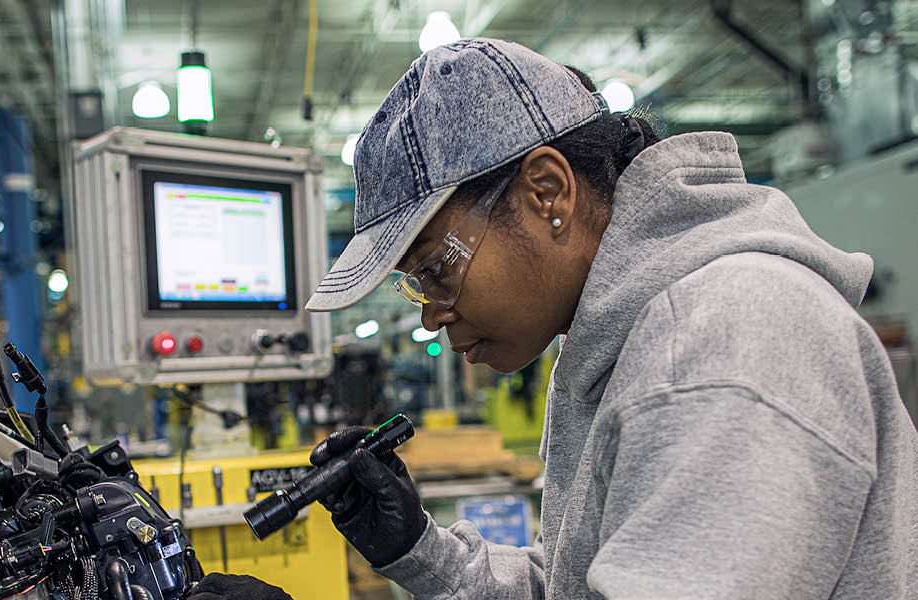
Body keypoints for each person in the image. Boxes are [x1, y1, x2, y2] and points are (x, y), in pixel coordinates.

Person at [189, 38, 918, 599]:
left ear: (547, 192)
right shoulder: (625, 338)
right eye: (417, 289)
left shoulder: (725, 342)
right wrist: (420, 550)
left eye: (438, 270)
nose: (434, 318)